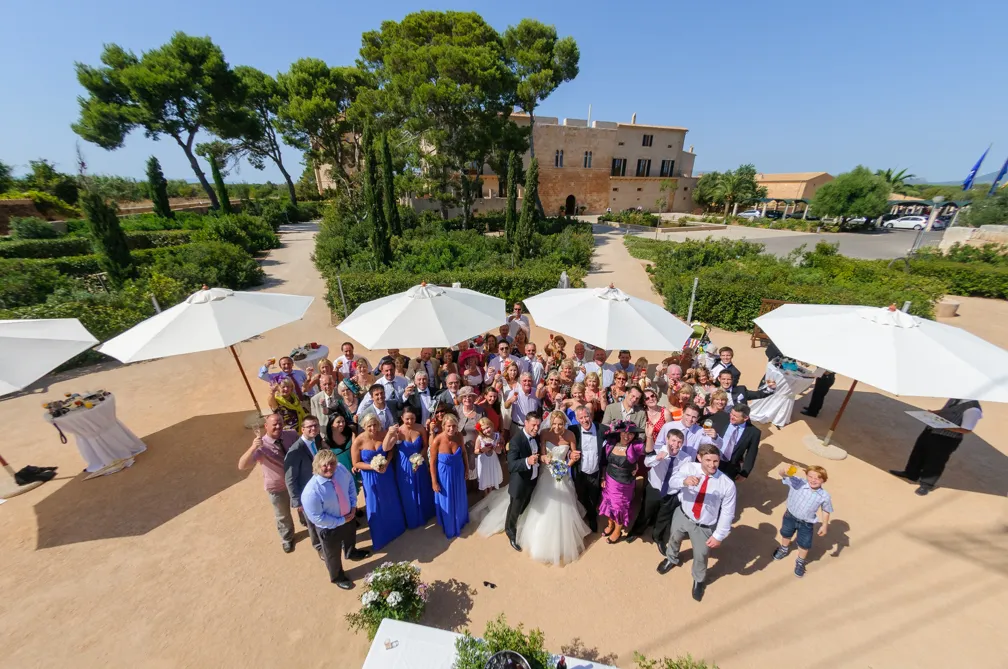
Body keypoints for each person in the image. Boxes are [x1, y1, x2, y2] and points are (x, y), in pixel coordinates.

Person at [656, 443, 737, 602]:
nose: (712, 465)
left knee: (701, 554)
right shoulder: (689, 468)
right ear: (699, 458)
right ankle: (671, 558)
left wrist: (719, 535)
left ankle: (699, 579)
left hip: (704, 526)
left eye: (715, 461)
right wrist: (684, 481)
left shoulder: (727, 484)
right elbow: (672, 481)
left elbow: (728, 512)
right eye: (707, 460)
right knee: (674, 538)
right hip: (683, 514)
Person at [510, 410, 590, 566]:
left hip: (563, 473)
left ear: (565, 424)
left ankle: (563, 538)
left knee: (564, 505)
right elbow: (542, 454)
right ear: (550, 423)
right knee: (543, 503)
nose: (557, 427)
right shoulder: (545, 433)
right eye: (554, 424)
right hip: (547, 473)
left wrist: (569, 463)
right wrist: (545, 458)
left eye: (560, 424)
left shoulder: (570, 436)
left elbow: (574, 455)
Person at [300, 449, 370, 589]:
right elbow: (317, 518)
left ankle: (351, 552)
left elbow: (350, 484)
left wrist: (353, 505)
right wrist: (341, 521)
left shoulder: (340, 469)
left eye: (332, 463)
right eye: (324, 465)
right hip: (329, 527)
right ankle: (337, 577)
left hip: (348, 515)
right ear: (317, 467)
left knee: (350, 536)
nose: (329, 468)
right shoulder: (311, 492)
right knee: (332, 554)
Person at [889, 398, 983, 496]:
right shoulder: (954, 399)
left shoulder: (973, 410)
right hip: (931, 430)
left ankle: (926, 485)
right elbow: (947, 411)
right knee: (918, 452)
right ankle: (911, 473)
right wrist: (933, 413)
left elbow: (966, 429)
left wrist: (942, 426)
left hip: (947, 438)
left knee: (935, 461)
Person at [237, 414, 298, 553]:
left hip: (295, 481)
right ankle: (287, 538)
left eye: (280, 423)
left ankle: (304, 521)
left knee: (302, 506)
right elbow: (242, 465)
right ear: (266, 426)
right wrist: (253, 448)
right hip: (277, 487)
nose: (278, 426)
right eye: (274, 424)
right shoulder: (260, 446)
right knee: (282, 515)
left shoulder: (291, 434)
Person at [353, 413, 406, 551]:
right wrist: (373, 466)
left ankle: (396, 529)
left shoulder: (383, 434)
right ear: (364, 426)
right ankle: (381, 536)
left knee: (390, 500)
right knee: (375, 504)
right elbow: (356, 463)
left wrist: (386, 464)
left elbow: (390, 452)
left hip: (386, 474)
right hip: (370, 477)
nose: (372, 428)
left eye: (375, 424)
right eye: (369, 426)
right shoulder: (358, 441)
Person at [628, 427, 689, 546]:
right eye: (673, 440)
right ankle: (636, 531)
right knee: (645, 512)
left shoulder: (686, 458)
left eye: (679, 442)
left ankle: (658, 537)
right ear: (667, 439)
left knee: (663, 517)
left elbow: (682, 476)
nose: (675, 445)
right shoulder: (658, 450)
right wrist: (658, 458)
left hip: (671, 492)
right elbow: (646, 463)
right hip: (654, 488)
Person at [773, 464, 833, 578]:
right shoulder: (798, 482)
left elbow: (826, 510)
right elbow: (782, 475)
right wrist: (784, 471)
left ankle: (800, 562)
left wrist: (824, 525)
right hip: (790, 516)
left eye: (818, 478)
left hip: (806, 523)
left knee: (804, 543)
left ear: (823, 480)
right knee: (786, 533)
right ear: (806, 475)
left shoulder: (824, 496)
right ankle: (783, 548)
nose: (813, 480)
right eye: (810, 476)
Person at [284, 415, 328, 557]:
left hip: (321, 486)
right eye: (309, 427)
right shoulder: (295, 451)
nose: (313, 429)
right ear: (302, 429)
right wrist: (297, 501)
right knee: (312, 522)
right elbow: (290, 479)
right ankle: (319, 547)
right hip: (307, 493)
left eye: (315, 425)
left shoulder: (317, 439)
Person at [598, 420, 647, 544]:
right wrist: (603, 477)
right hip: (609, 480)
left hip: (624, 484)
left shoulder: (635, 446)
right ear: (619, 433)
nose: (627, 436)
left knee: (619, 508)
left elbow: (649, 449)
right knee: (608, 504)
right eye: (624, 433)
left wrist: (650, 436)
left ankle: (617, 531)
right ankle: (610, 525)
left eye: (631, 434)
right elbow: (604, 463)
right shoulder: (610, 444)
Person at [389, 406, 436, 529]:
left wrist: (419, 459)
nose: (410, 421)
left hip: (419, 462)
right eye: (407, 419)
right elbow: (388, 448)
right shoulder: (398, 431)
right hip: (404, 466)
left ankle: (426, 514)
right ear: (402, 418)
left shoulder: (420, 428)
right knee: (408, 492)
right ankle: (412, 518)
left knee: (422, 488)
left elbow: (426, 446)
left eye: (413, 418)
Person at [502, 411, 542, 552]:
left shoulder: (537, 437)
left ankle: (518, 524)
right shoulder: (515, 441)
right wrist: (527, 461)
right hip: (519, 483)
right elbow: (511, 465)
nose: (536, 428)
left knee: (524, 506)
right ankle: (510, 532)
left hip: (533, 480)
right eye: (533, 425)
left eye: (538, 425)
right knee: (514, 509)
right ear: (525, 423)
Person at [430, 413, 469, 538]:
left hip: (458, 471)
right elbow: (432, 462)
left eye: (454, 426)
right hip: (444, 475)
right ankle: (449, 526)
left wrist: (467, 469)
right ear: (443, 426)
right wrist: (434, 482)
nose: (451, 429)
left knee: (459, 497)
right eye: (449, 426)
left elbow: (464, 453)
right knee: (447, 500)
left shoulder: (459, 437)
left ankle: (461, 520)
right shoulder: (437, 440)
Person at [571, 405, 605, 532]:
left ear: (591, 416)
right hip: (580, 471)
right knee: (581, 495)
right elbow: (564, 445)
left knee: (594, 495)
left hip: (596, 471)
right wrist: (570, 454)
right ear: (577, 419)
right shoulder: (573, 430)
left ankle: (592, 517)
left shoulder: (601, 428)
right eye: (581, 418)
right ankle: (585, 514)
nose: (585, 420)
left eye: (586, 416)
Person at [716, 404, 761, 481]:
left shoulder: (754, 432)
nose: (731, 417)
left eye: (735, 416)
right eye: (731, 413)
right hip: (713, 460)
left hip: (730, 468)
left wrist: (744, 473)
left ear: (746, 418)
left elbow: (751, 454)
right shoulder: (723, 418)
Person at [456, 386, 485, 484]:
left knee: (476, 469)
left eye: (470, 396)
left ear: (473, 398)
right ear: (461, 399)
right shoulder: (456, 410)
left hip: (476, 447)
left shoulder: (480, 411)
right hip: (460, 447)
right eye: (464, 397)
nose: (467, 399)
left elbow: (485, 427)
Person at [474, 417, 504, 495]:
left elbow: (499, 451)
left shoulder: (497, 436)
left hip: (493, 460)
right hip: (484, 461)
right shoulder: (480, 438)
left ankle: (491, 494)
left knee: (491, 476)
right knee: (485, 478)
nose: (486, 430)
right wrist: (482, 450)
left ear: (491, 425)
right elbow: (475, 451)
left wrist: (496, 447)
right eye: (483, 429)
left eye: (487, 427)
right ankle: (485, 494)